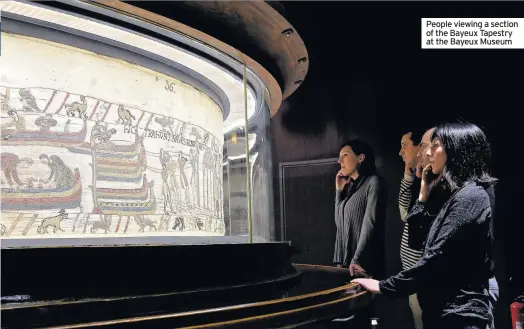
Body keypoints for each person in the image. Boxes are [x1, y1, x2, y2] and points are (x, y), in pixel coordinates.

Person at [353, 121, 497, 329]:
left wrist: (383, 286)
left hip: (460, 316)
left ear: (457, 149)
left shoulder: (471, 196)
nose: (427, 153)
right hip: (443, 312)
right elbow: (416, 239)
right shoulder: (454, 195)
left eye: (435, 145)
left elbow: (436, 258)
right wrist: (423, 194)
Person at [334, 139, 388, 279]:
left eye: (344, 155)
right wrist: (339, 191)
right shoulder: (350, 187)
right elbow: (339, 223)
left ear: (360, 158)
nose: (339, 161)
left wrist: (357, 258)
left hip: (364, 263)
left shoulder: (374, 182)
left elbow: (370, 223)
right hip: (349, 264)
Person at [398, 128, 426, 329]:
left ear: (420, 148)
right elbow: (404, 214)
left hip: (423, 275)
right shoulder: (416, 178)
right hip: (411, 272)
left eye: (404, 145)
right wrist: (408, 176)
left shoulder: (430, 180)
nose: (400, 152)